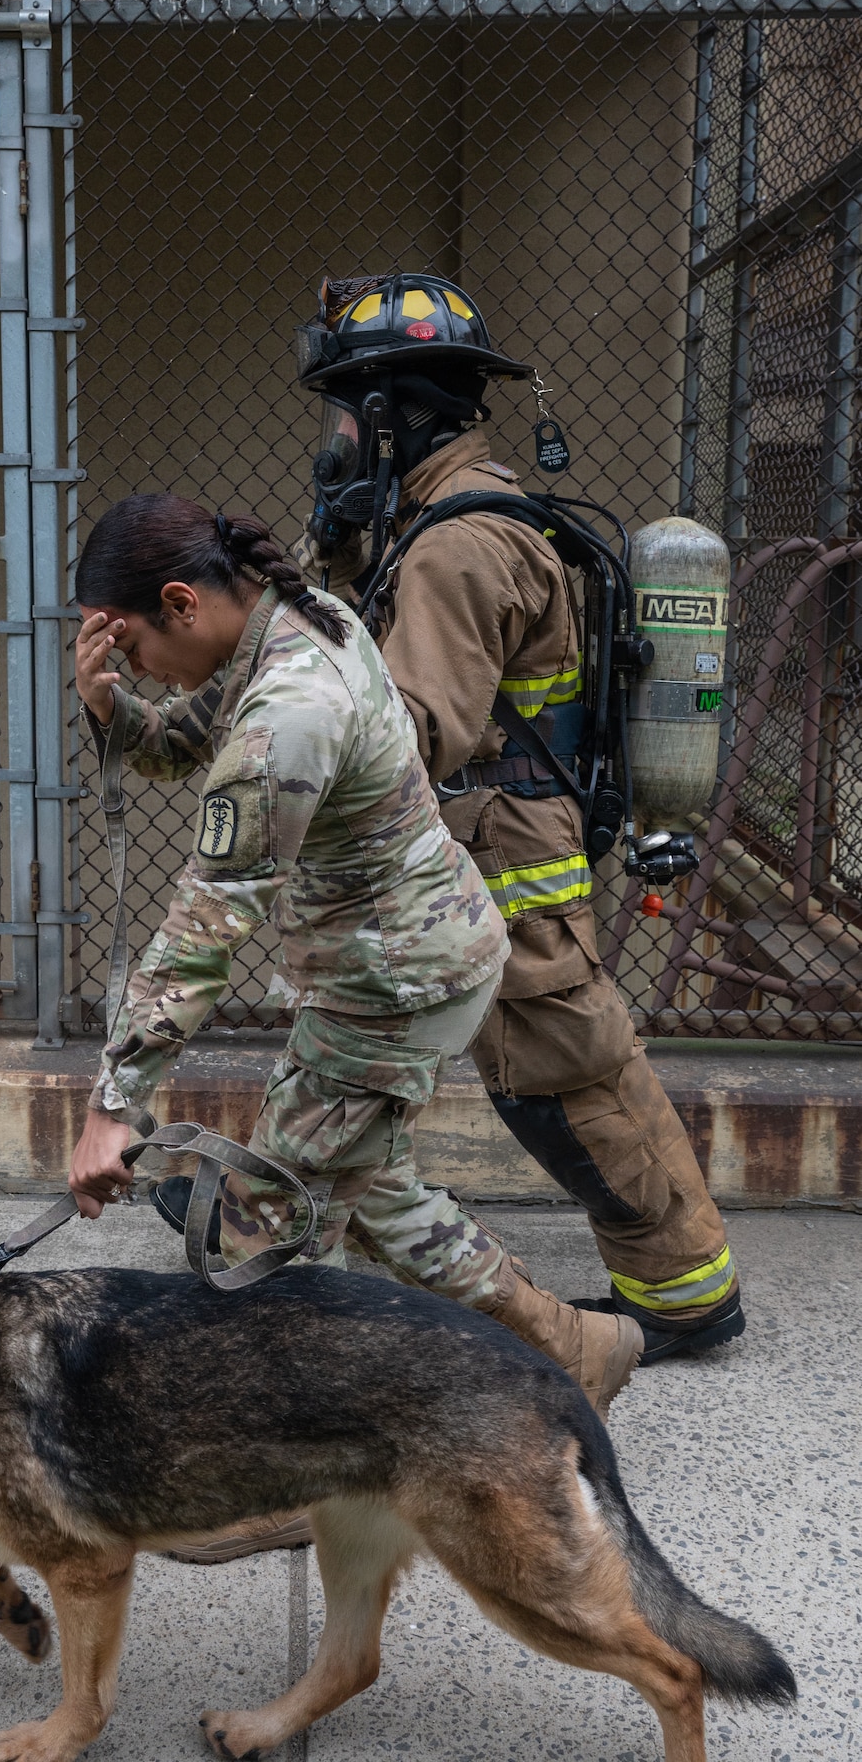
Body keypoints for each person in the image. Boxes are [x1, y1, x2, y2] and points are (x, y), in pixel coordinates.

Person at [67, 491, 644, 1425]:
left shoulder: (288, 712)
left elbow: (203, 929)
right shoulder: (292, 619)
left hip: (392, 986)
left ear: (180, 602)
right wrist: (111, 704)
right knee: (372, 1197)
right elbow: (178, 743)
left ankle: (307, 1463)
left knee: (271, 1222)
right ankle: (574, 1351)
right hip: (407, 961)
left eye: (128, 645)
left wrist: (112, 1106)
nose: (137, 666)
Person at [286, 269, 744, 1365]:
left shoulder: (453, 545)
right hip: (479, 845)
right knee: (359, 1042)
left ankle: (681, 1296)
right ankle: (280, 1216)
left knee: (562, 1080)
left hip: (504, 855)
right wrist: (338, 547)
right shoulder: (425, 524)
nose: (336, 436)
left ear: (391, 415)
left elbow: (410, 727)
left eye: (348, 411)